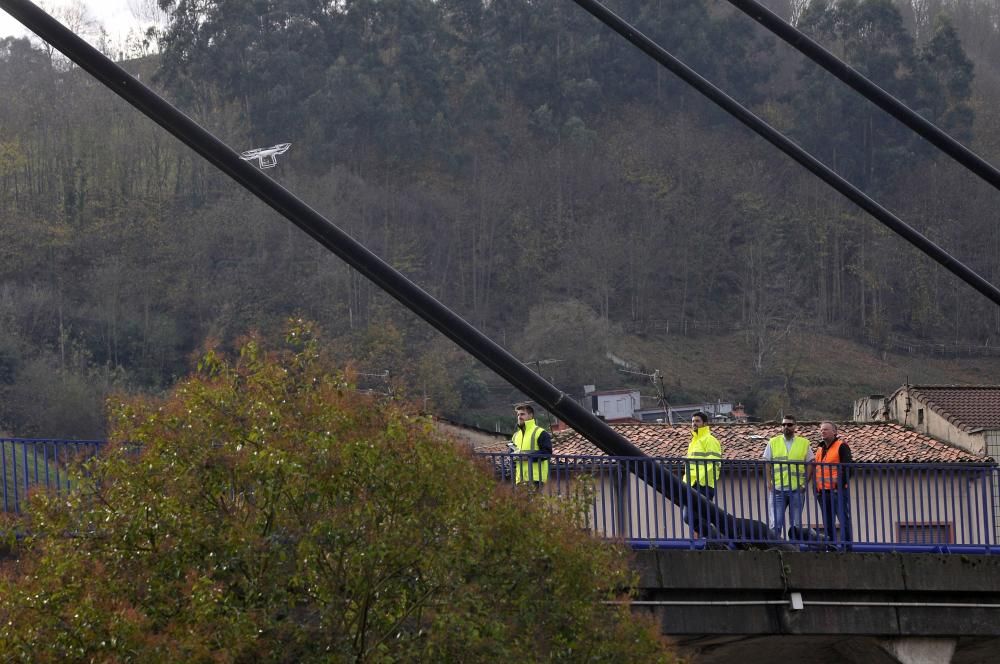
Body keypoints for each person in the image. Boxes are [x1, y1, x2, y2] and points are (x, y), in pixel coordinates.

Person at [763, 415, 813, 539]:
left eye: (789, 425)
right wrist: (769, 483)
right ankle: (776, 549)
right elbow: (767, 463)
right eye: (783, 424)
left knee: (795, 525)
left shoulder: (804, 443)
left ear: (795, 426)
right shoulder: (773, 442)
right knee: (776, 524)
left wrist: (804, 484)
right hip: (778, 490)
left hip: (797, 490)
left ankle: (794, 550)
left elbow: (811, 463)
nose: (786, 427)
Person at [682, 411, 722, 536]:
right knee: (695, 517)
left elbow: (713, 463)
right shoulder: (693, 442)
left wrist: (699, 480)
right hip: (692, 484)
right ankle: (713, 541)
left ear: (705, 423)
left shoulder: (710, 440)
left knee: (690, 517)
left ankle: (714, 538)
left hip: (703, 484)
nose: (694, 423)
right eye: (693, 421)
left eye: (697, 421)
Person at [815, 421, 853, 546]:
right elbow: (817, 469)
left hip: (837, 492)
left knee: (843, 521)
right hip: (822, 493)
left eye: (826, 429)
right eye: (821, 430)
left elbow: (848, 469)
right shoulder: (820, 448)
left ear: (834, 432)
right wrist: (816, 489)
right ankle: (830, 547)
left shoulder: (841, 446)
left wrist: (839, 487)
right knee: (827, 522)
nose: (823, 431)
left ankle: (846, 548)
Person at [510, 404, 552, 487]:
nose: (519, 417)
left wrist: (528, 457)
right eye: (518, 415)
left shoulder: (540, 432)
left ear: (531, 415)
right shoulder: (515, 435)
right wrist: (513, 456)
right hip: (520, 478)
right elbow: (511, 454)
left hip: (536, 477)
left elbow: (547, 452)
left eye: (522, 414)